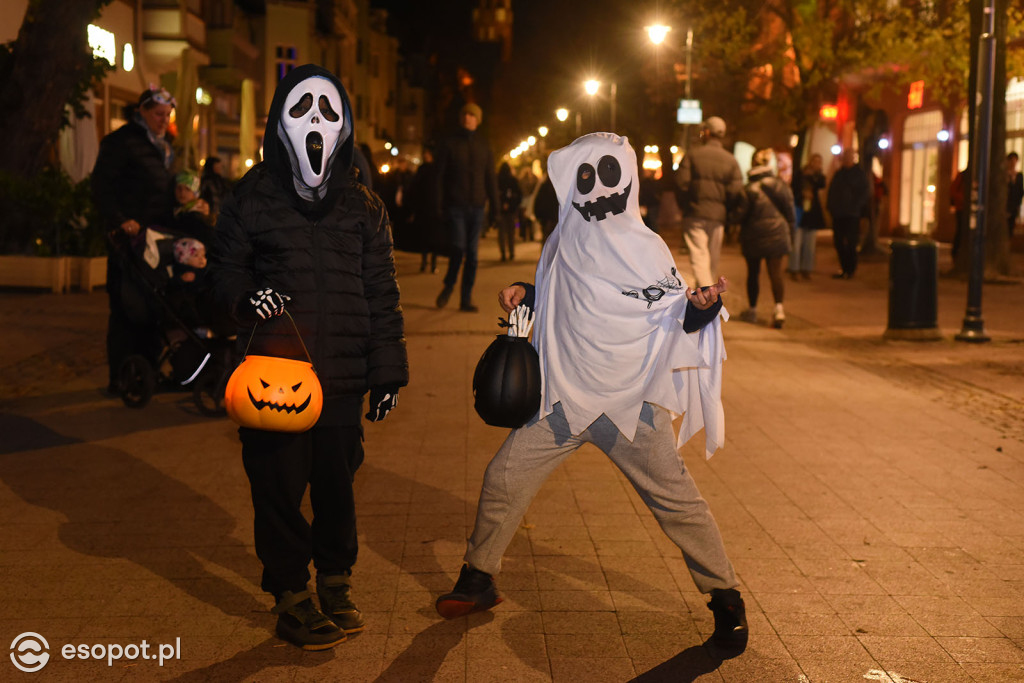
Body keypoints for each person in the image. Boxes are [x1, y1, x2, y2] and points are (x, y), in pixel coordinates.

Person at [434, 133, 748, 651]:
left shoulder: (647, 246)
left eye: (607, 174)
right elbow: (565, 294)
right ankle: (479, 577)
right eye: (586, 177)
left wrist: (702, 306)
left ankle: (726, 600)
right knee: (504, 476)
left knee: (678, 503)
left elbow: (673, 312)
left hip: (632, 403)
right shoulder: (563, 240)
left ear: (627, 177)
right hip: (563, 397)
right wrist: (527, 292)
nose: (599, 188)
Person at [209, 64, 408, 651]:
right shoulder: (250, 199)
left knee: (337, 484)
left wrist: (388, 371)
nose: (316, 123)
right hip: (277, 378)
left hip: (343, 376)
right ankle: (292, 593)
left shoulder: (364, 207)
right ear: (279, 124)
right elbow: (222, 278)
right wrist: (245, 300)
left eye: (328, 111)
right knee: (277, 487)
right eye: (302, 110)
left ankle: (336, 581)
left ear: (344, 127)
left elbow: (382, 293)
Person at [91, 86, 177, 395]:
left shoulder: (164, 146)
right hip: (127, 241)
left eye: (167, 115)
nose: (163, 120)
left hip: (155, 240)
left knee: (153, 304)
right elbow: (101, 186)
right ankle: (121, 376)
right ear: (141, 111)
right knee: (126, 307)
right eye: (158, 114)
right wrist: (119, 219)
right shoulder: (121, 142)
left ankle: (148, 371)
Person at [434, 102, 499, 312]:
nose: (467, 118)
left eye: (471, 115)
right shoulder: (450, 144)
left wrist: (495, 208)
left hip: (477, 207)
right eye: (464, 114)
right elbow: (439, 177)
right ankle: (449, 285)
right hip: (456, 206)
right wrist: (438, 204)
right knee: (458, 248)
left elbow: (490, 179)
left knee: (472, 255)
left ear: (477, 120)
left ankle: (466, 298)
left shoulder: (484, 146)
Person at [674, 116, 745, 287]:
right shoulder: (731, 160)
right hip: (718, 216)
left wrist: (686, 205)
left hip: (695, 213)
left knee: (699, 258)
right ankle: (709, 297)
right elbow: (736, 191)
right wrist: (725, 209)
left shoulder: (693, 155)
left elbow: (681, 183)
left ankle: (707, 298)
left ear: (706, 132)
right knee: (712, 261)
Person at [736, 149, 793, 328]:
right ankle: (779, 309)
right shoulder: (780, 185)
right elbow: (790, 212)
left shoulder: (748, 189)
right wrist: (790, 231)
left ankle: (752, 310)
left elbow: (740, 215)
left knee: (753, 273)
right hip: (777, 234)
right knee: (776, 273)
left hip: (754, 236)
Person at [826, 149, 870, 279]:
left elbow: (864, 193)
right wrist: (831, 207)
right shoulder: (839, 174)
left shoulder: (859, 175)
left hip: (852, 214)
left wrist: (856, 206)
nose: (846, 159)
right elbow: (832, 192)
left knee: (851, 242)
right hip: (838, 214)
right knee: (838, 241)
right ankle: (844, 268)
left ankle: (850, 269)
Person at [408, 146, 445, 273]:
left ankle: (433, 264)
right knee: (425, 238)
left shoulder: (437, 169)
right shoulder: (423, 169)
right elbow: (416, 188)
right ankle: (424, 263)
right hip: (425, 208)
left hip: (433, 208)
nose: (426, 155)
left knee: (433, 238)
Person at [791, 153, 826, 280]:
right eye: (814, 161)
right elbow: (793, 187)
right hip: (800, 210)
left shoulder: (818, 176)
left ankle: (807, 269)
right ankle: (794, 268)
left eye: (819, 162)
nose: (816, 164)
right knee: (797, 242)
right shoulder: (800, 174)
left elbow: (822, 184)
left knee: (810, 244)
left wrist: (813, 177)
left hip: (812, 213)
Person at [496, 162, 522, 261]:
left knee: (501, 232)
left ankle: (503, 253)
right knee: (511, 232)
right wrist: (514, 205)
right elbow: (519, 195)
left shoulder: (497, 180)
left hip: (500, 210)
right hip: (511, 210)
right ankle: (511, 252)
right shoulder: (513, 180)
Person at [199, 156, 231, 221]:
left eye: (220, 167)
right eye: (217, 166)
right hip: (209, 212)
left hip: (221, 212)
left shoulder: (221, 181)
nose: (219, 168)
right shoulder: (206, 181)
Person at [1007, 152, 1023, 239]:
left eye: (1015, 160)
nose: (1013, 162)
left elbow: (1020, 191)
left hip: (1014, 206)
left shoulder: (1019, 175)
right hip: (1005, 205)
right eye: (1011, 160)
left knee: (1011, 227)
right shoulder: (1005, 175)